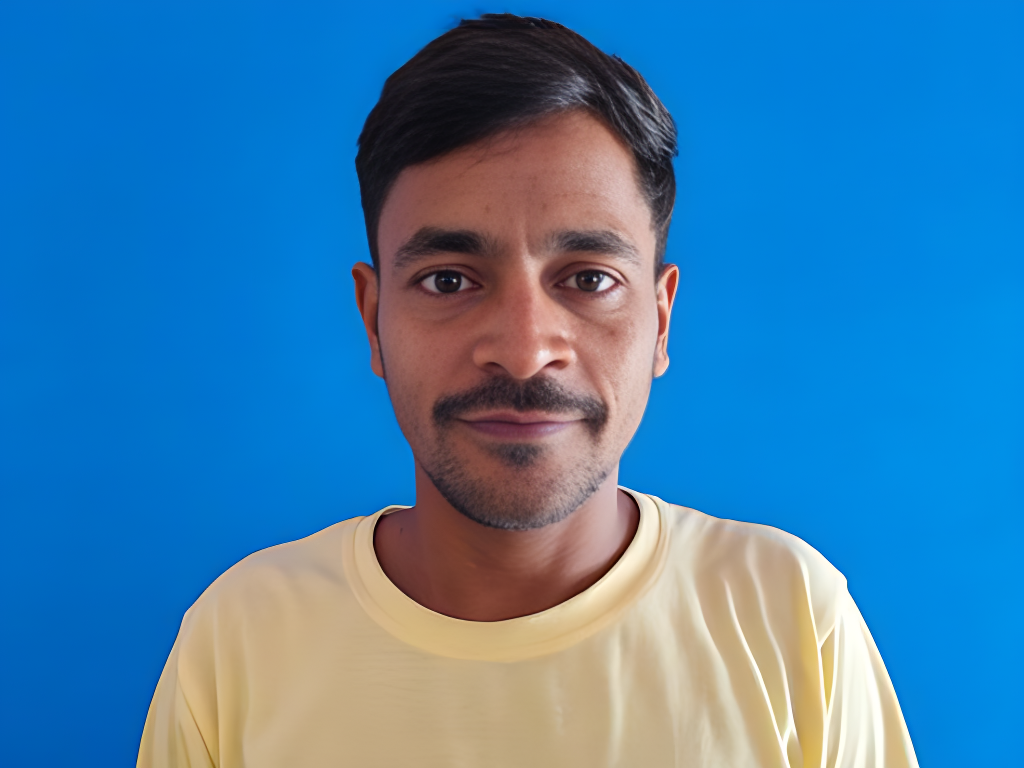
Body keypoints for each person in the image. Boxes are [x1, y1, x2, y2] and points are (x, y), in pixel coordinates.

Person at [138, 14, 917, 767]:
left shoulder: (790, 617)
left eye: (588, 279)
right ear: (373, 319)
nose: (523, 351)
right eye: (449, 280)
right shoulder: (240, 639)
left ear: (660, 320)